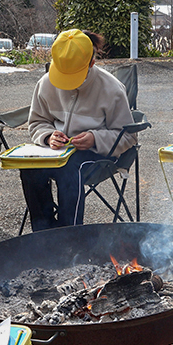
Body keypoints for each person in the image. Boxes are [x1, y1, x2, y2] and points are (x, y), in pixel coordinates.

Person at [21, 29, 137, 231]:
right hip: (54, 153)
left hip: (98, 155)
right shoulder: (46, 83)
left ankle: (70, 236)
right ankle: (43, 236)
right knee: (29, 169)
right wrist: (48, 136)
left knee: (70, 169)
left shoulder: (112, 89)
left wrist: (95, 138)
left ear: (92, 63)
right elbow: (37, 122)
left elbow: (127, 135)